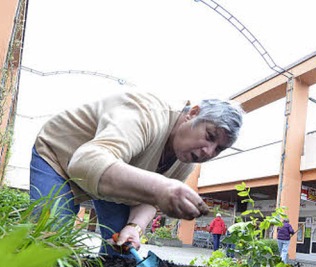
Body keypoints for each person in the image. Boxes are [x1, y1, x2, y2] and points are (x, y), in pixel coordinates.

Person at [29, 91, 244, 254]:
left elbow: (151, 198)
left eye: (219, 148)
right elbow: (85, 162)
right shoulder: (146, 114)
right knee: (49, 241)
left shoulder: (187, 158)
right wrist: (161, 187)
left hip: (110, 180)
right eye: (209, 136)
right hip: (61, 157)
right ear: (193, 114)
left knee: (122, 250)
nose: (209, 151)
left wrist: (135, 226)